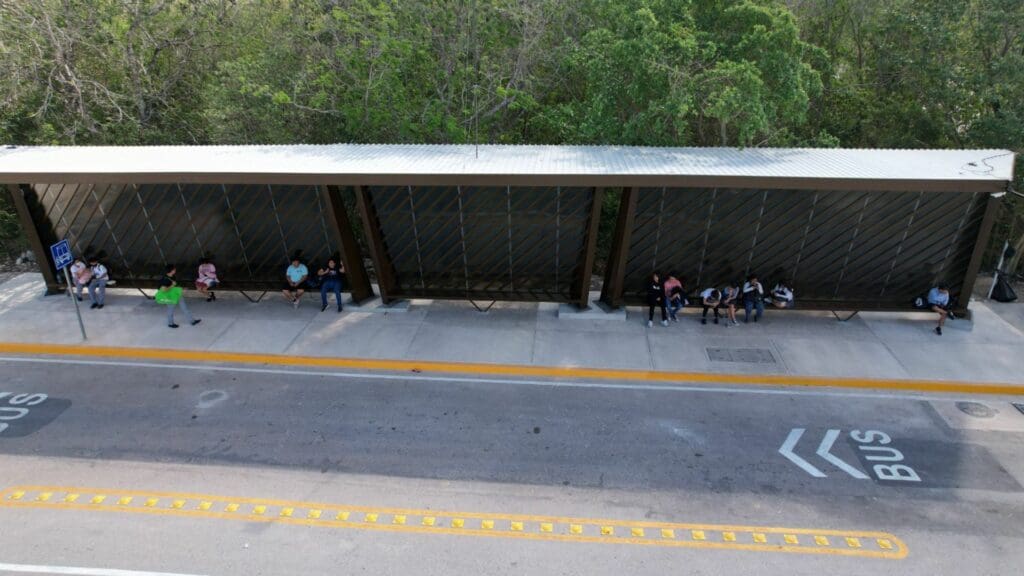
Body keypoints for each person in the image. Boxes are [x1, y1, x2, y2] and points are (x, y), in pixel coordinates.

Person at [159, 264, 201, 329]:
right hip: (170, 296)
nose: (175, 270)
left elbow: (175, 285)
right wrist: (172, 285)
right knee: (170, 310)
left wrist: (180, 288)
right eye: (174, 269)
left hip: (177, 294)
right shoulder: (164, 279)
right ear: (171, 270)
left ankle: (192, 321)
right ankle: (170, 323)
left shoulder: (173, 276)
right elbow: (163, 290)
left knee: (185, 308)